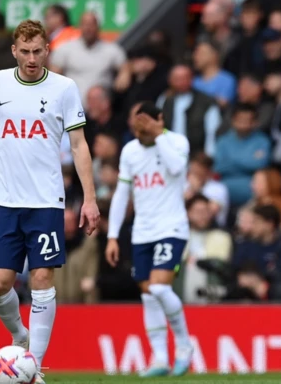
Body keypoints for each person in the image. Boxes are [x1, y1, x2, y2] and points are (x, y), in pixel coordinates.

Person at [0, 20, 100, 383]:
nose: (32, 59)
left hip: (47, 200)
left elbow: (79, 146)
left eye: (38, 51)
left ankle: (35, 366)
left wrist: (90, 199)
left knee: (42, 277)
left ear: (47, 50)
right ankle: (19, 335)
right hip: (5, 201)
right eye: (26, 51)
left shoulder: (64, 88)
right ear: (14, 51)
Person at [105, 102, 193, 377]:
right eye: (136, 127)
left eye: (144, 126)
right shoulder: (130, 151)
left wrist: (157, 135)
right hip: (142, 232)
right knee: (148, 297)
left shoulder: (176, 142)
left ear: (159, 120)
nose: (139, 132)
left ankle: (184, 347)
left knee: (159, 288)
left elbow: (177, 168)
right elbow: (121, 195)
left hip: (172, 228)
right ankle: (159, 358)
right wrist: (112, 236)